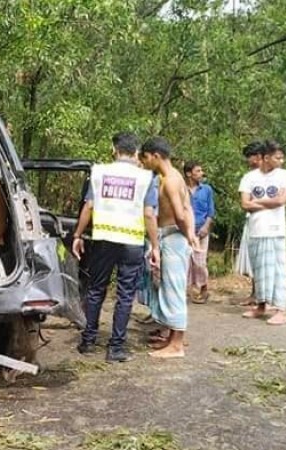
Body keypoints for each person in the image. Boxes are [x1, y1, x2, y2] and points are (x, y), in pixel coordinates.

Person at [71, 132, 160, 362]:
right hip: (131, 242)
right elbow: (149, 214)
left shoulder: (99, 172)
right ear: (137, 152)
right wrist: (156, 246)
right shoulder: (146, 177)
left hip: (102, 239)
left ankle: (88, 340)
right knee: (125, 294)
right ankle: (116, 348)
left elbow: (89, 206)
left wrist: (78, 234)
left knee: (95, 289)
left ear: (114, 150)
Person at [138, 136, 199, 359]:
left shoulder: (171, 180)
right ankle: (172, 337)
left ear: (155, 156)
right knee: (167, 287)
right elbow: (187, 208)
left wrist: (186, 233)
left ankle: (177, 345)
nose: (144, 162)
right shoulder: (172, 177)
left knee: (173, 288)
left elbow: (181, 213)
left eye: (145, 158)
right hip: (171, 236)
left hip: (173, 236)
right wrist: (190, 233)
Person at [238, 139, 286, 325]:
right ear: (265, 157)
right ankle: (261, 305)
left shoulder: (285, 175)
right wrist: (263, 205)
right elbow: (244, 204)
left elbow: (281, 201)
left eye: (282, 158)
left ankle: (280, 309)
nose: (281, 161)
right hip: (256, 229)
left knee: (277, 270)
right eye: (277, 158)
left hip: (276, 230)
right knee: (259, 270)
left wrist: (257, 203)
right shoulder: (249, 178)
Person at [235, 141, 265, 306]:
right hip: (252, 220)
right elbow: (245, 203)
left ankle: (263, 296)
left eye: (250, 157)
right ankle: (255, 294)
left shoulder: (272, 176)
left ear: (259, 156)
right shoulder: (249, 177)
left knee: (263, 260)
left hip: (267, 224)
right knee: (253, 260)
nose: (248, 160)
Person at [184, 161, 215, 304]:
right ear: (189, 173)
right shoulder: (182, 189)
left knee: (200, 262)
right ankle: (188, 291)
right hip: (185, 231)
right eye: (198, 171)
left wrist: (206, 227)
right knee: (186, 262)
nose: (201, 173)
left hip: (202, 230)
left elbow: (211, 211)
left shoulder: (207, 189)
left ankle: (204, 288)